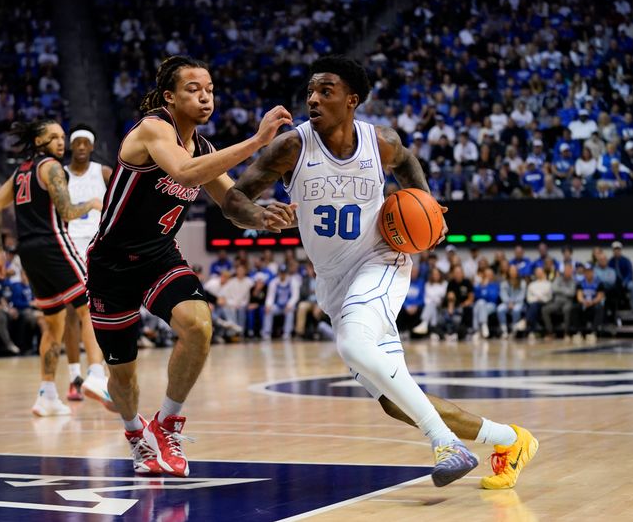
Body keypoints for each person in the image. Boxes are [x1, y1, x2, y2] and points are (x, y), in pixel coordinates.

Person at [222, 56, 537, 489]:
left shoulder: (380, 141)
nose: (313, 98)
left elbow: (407, 163)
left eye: (325, 90)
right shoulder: (292, 146)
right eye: (311, 90)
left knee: (354, 344)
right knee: (394, 401)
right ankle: (512, 440)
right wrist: (259, 217)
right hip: (332, 281)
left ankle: (446, 443)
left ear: (351, 100)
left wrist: (428, 204)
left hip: (380, 260)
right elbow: (234, 198)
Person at [84, 56, 293, 478]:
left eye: (210, 89)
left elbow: (233, 204)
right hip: (111, 263)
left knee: (198, 324)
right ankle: (135, 435)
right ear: (169, 97)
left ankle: (167, 424)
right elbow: (183, 171)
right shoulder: (152, 129)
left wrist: (262, 216)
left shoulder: (205, 148)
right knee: (122, 377)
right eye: (194, 89)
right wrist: (256, 142)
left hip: (159, 255)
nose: (205, 96)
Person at [0, 119, 113, 417]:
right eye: (54, 137)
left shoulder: (20, 172)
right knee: (91, 307)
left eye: (62, 136)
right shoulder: (52, 168)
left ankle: (46, 394)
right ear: (39, 141)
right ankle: (96, 374)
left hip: (28, 252)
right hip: (54, 243)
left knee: (53, 323)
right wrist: (93, 203)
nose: (61, 142)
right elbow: (67, 211)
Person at [63, 123, 113, 402]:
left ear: (92, 147)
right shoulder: (60, 175)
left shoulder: (103, 173)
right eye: (77, 142)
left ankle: (99, 372)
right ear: (71, 145)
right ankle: (74, 377)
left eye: (86, 143)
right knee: (73, 312)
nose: (81, 147)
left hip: (97, 247)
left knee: (99, 310)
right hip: (69, 246)